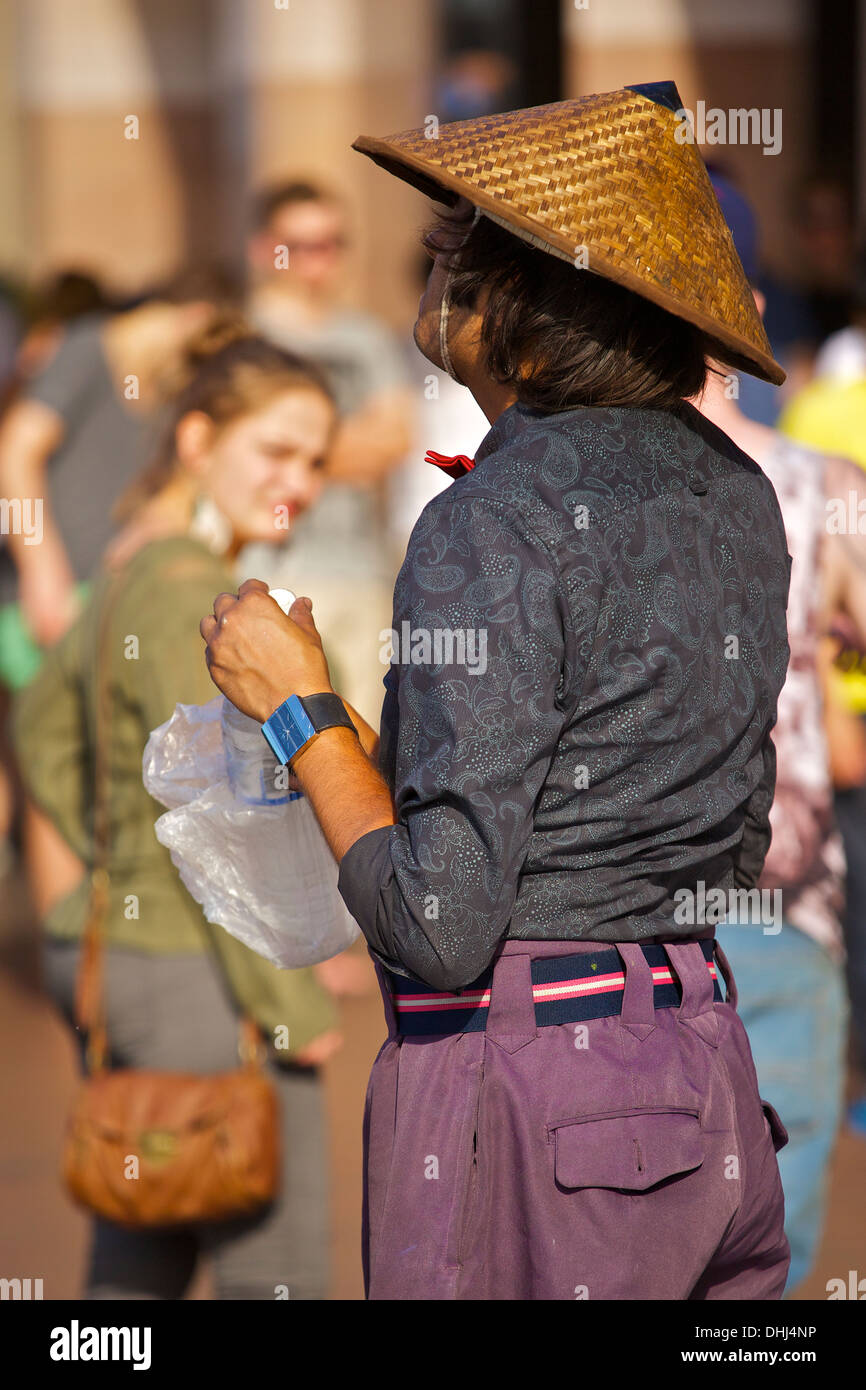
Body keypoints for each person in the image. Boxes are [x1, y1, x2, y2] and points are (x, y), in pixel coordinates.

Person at [201, 82, 792, 1300]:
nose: (434, 269)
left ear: (514, 310)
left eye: (458, 250)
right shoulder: (733, 492)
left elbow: (439, 921)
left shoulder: (494, 521)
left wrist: (295, 710)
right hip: (703, 1071)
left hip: (536, 1112)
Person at [12, 326, 345, 1300]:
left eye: (318, 458)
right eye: (275, 450)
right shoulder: (196, 597)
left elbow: (38, 729)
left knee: (145, 1236)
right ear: (195, 439)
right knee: (273, 1265)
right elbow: (221, 820)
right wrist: (294, 1007)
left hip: (128, 958)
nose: (302, 479)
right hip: (196, 970)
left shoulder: (130, 565)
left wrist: (109, 857)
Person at [696, 171, 866, 1290]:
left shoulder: (544, 491)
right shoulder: (820, 488)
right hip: (780, 904)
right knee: (771, 1246)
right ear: (750, 314)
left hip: (610, 924)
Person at [245, 179, 413, 723]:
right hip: (269, 568)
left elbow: (396, 439)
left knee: (361, 738)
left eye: (332, 243)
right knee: (277, 742)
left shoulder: (366, 337)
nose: (319, 261)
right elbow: (241, 453)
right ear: (263, 248)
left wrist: (293, 447)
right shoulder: (244, 337)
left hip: (361, 569)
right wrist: (346, 442)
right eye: (300, 246)